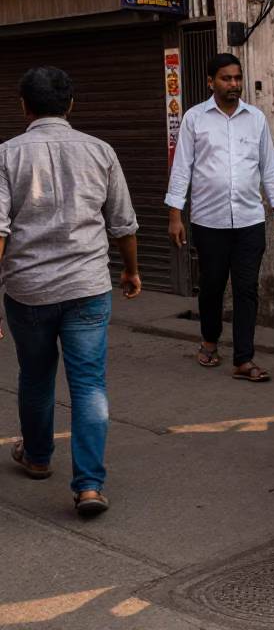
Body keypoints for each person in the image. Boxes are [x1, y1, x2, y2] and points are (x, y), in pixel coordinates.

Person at [1, 67, 142, 515]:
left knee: (35, 377)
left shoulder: (7, 154)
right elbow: (123, 222)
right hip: (87, 286)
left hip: (28, 290)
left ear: (24, 106)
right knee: (88, 385)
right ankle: (88, 487)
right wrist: (130, 271)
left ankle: (39, 458)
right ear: (71, 105)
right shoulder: (100, 151)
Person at [166, 52, 274, 383]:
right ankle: (209, 340)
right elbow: (182, 170)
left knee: (247, 289)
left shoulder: (256, 119)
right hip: (208, 222)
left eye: (237, 78)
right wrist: (175, 215)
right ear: (211, 82)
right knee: (212, 288)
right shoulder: (194, 119)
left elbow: (268, 167)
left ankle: (243, 359)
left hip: (250, 220)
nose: (233, 84)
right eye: (226, 78)